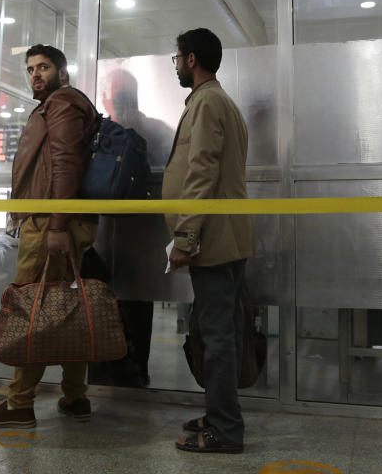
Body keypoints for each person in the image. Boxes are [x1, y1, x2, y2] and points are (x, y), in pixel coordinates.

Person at [0, 44, 99, 429]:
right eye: (30, 69)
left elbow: (65, 162)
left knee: (34, 307)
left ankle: (19, 403)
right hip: (54, 218)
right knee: (66, 307)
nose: (35, 75)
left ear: (63, 72)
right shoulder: (58, 105)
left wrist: (57, 225)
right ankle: (75, 396)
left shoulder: (61, 103)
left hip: (49, 221)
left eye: (43, 67)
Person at [164, 28, 255, 454]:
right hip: (227, 237)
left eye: (177, 58)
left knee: (217, 336)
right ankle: (222, 412)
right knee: (223, 333)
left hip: (214, 241)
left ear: (192, 59)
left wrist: (186, 235)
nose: (176, 65)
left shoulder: (207, 103)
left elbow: (201, 172)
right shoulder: (222, 102)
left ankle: (225, 428)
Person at [91, 69, 174, 388]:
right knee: (132, 311)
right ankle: (133, 373)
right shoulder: (156, 130)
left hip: (125, 245)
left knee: (120, 310)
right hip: (134, 245)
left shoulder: (101, 134)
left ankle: (120, 374)